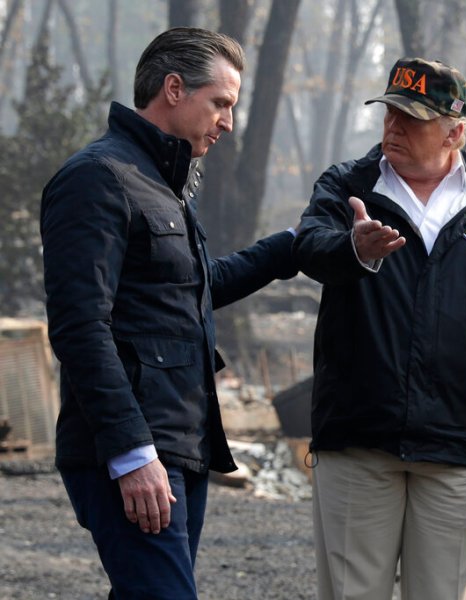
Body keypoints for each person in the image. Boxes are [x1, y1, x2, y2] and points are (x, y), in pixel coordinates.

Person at [41, 27, 299, 598]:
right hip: (132, 449)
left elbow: (193, 292)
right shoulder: (97, 180)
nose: (228, 122)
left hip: (181, 445)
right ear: (175, 89)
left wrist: (291, 246)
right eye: (221, 103)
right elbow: (79, 326)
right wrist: (132, 454)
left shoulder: (166, 184)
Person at [293, 57, 466, 600]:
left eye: (412, 120)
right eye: (389, 114)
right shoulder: (347, 187)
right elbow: (308, 248)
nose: (393, 128)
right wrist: (352, 249)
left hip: (454, 444)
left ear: (455, 131)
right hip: (358, 439)